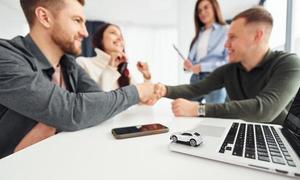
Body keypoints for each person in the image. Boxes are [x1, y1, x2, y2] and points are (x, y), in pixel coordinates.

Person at [0, 0, 156, 158]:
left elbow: (97, 101)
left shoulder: (69, 63)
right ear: (44, 17)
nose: (85, 33)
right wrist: (137, 92)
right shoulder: (5, 57)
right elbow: (69, 110)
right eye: (77, 21)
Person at [154, 7, 300, 125]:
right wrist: (163, 90)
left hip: (281, 140)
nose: (225, 45)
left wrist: (199, 109)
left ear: (257, 36)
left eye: (232, 37)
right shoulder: (230, 70)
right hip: (244, 131)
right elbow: (195, 89)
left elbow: (264, 110)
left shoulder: (289, 64)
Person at [76, 23, 151, 91]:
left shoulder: (125, 73)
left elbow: (142, 101)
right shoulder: (83, 63)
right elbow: (98, 100)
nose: (120, 38)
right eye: (113, 33)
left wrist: (147, 78)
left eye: (121, 36)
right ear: (100, 39)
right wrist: (110, 67)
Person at [184, 0, 228, 103]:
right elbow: (193, 60)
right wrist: (188, 65)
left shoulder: (226, 30)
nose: (202, 13)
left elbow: (228, 62)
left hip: (214, 79)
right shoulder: (199, 34)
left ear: (214, 8)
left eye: (206, 7)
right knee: (187, 113)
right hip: (196, 79)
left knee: (213, 116)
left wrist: (202, 67)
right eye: (199, 11)